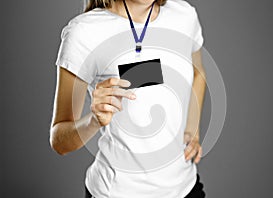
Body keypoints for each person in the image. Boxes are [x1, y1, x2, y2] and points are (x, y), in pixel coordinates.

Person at [50, 0, 207, 197]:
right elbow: (59, 141)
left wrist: (192, 129)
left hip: (185, 189)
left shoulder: (184, 15)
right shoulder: (84, 32)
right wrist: (93, 120)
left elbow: (198, 73)